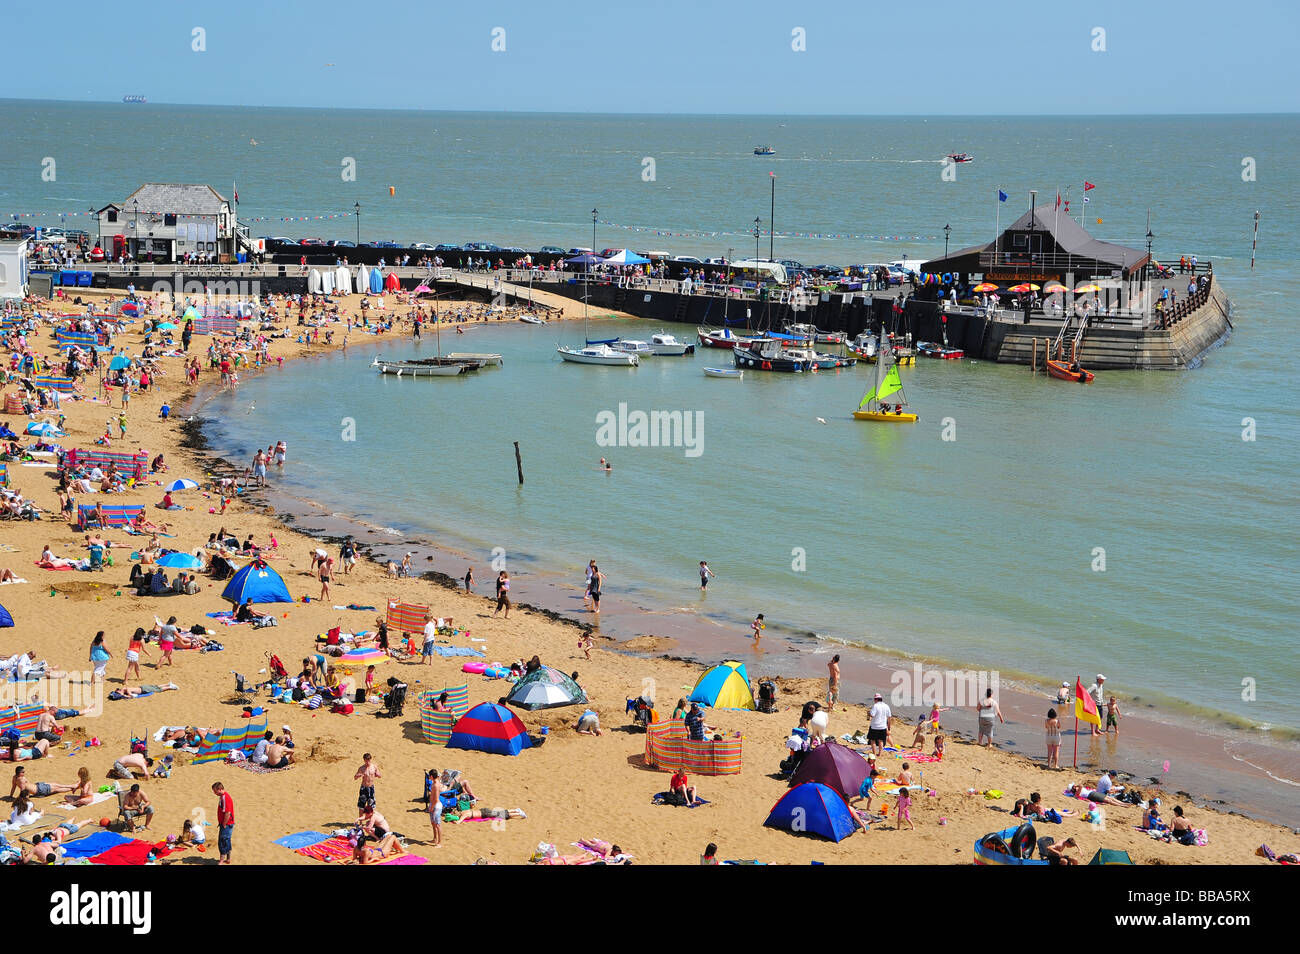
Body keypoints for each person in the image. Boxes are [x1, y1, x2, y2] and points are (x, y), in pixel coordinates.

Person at [9, 765, 76, 799]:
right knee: (57, 788)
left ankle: (73, 786)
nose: (24, 773)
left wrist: (11, 796)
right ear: (19, 773)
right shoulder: (21, 780)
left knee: (56, 786)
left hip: (38, 786)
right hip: (40, 790)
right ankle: (73, 787)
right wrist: (25, 798)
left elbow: (13, 787)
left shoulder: (14, 777)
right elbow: (23, 791)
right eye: (23, 772)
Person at [213, 781, 234, 864]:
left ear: (220, 789)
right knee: (227, 840)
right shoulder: (222, 796)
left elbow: (228, 812)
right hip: (227, 823)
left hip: (227, 824)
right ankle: (228, 859)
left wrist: (224, 823)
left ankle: (221, 860)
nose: (214, 793)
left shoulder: (225, 797)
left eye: (215, 791)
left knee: (222, 841)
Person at [867, 692, 891, 757]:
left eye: (874, 699)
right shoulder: (886, 706)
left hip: (874, 726)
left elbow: (872, 715)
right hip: (883, 727)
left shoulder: (876, 706)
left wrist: (868, 713)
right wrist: (889, 728)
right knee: (881, 741)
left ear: (876, 699)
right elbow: (889, 718)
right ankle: (880, 754)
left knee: (873, 740)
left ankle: (874, 753)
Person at [426, 768, 443, 847]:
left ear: (432, 776)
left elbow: (436, 799)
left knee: (437, 824)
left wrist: (431, 807)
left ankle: (439, 842)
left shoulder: (436, 785)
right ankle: (435, 838)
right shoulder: (435, 782)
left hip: (436, 806)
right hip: (433, 804)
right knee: (433, 823)